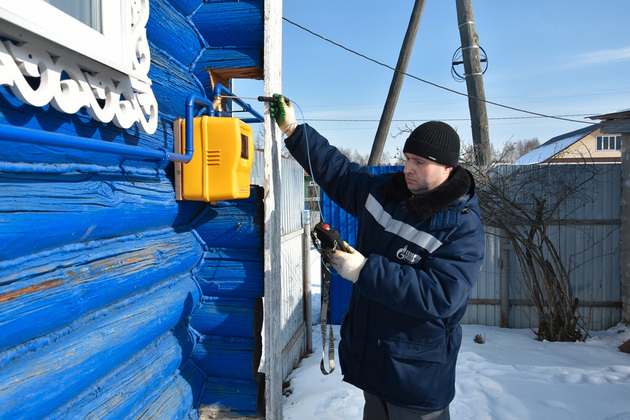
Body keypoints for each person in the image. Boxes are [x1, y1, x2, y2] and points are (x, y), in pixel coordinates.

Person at [270, 94, 485, 420]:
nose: (408, 168)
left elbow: (442, 295)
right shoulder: (387, 192)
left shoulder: (461, 227)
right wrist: (293, 130)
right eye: (408, 158)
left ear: (447, 168)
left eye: (420, 162)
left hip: (415, 377)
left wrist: (364, 270)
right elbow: (339, 173)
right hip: (374, 362)